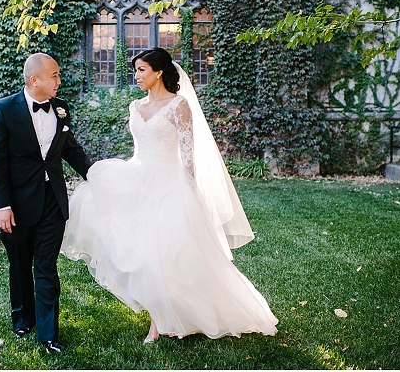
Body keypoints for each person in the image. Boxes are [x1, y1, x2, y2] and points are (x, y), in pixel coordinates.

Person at [61, 47, 278, 343]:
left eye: (141, 70)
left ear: (158, 72)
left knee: (162, 254)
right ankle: (160, 314)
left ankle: (160, 322)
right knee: (135, 251)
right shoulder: (135, 106)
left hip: (169, 183)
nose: (136, 76)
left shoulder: (179, 106)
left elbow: (189, 156)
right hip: (138, 178)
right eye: (135, 70)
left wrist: (190, 193)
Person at [0, 53, 92, 353]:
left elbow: (71, 151)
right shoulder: (3, 110)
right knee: (19, 264)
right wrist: (1, 205)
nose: (59, 80)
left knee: (46, 265)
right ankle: (23, 318)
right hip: (16, 205)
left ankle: (48, 333)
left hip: (53, 202)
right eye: (54, 75)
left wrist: (96, 174)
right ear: (35, 80)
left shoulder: (61, 109)